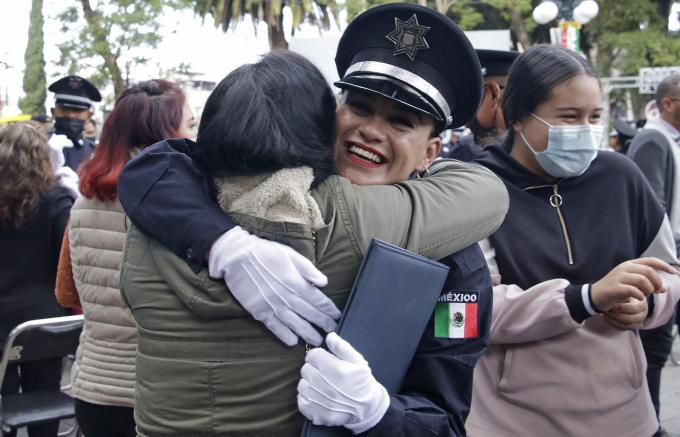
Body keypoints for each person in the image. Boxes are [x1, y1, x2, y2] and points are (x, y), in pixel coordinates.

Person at [118, 5, 508, 435]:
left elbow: (444, 417)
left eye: (400, 122)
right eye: (359, 107)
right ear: (329, 116)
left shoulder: (453, 253)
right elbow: (169, 164)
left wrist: (378, 414)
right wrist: (220, 240)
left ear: (430, 153)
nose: (372, 131)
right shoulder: (223, 195)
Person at [465, 45, 680, 437]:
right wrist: (585, 298)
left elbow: (669, 270)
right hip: (510, 419)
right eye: (568, 117)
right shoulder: (474, 189)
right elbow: (469, 309)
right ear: (517, 116)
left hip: (625, 416)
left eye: (594, 117)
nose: (585, 130)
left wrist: (649, 301)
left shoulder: (621, 177)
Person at [54, 80, 195, 437]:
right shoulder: (178, 203)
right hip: (154, 392)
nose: (196, 136)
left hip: (93, 387)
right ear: (166, 133)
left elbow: (67, 294)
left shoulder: (84, 200)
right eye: (190, 125)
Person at [0, 122, 74, 437]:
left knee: (5, 405)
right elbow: (68, 259)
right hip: (44, 323)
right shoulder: (57, 198)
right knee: (44, 399)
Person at [627, 73, 680, 437]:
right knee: (654, 356)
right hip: (662, 266)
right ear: (668, 103)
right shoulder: (653, 139)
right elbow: (650, 212)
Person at [443, 49, 518, 161]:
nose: (467, 107)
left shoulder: (470, 151)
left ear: (493, 94)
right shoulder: (527, 150)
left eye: (473, 97)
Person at [48, 75, 101, 172]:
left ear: (89, 116)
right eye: (65, 109)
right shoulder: (36, 147)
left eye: (77, 110)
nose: (70, 115)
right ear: (53, 112)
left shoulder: (97, 154)